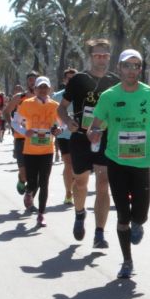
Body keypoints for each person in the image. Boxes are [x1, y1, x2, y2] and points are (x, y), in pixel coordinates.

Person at [87, 49, 150, 279]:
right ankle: (127, 261)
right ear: (119, 68)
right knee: (122, 215)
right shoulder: (109, 97)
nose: (132, 70)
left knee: (140, 214)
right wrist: (93, 133)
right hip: (116, 161)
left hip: (142, 162)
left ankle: (138, 223)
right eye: (127, 66)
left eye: (136, 66)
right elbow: (94, 126)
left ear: (141, 69)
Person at [60, 39, 120, 249]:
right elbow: (62, 108)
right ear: (90, 57)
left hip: (106, 138)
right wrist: (68, 122)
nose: (101, 59)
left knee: (103, 184)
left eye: (104, 55)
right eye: (97, 55)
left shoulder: (115, 82)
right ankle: (79, 213)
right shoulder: (78, 80)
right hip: (81, 138)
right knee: (81, 183)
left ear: (109, 57)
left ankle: (99, 233)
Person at [16, 76, 60, 227]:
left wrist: (59, 130)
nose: (42, 90)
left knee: (44, 182)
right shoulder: (26, 104)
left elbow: (62, 124)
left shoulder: (55, 105)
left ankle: (41, 214)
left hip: (47, 150)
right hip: (30, 150)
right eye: (40, 87)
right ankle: (29, 192)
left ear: (49, 89)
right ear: (35, 89)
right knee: (33, 181)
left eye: (45, 87)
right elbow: (15, 122)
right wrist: (24, 131)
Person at [3, 71, 38, 193]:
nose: (32, 82)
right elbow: (6, 112)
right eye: (30, 80)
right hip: (21, 138)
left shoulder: (43, 99)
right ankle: (22, 180)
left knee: (34, 172)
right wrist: (13, 126)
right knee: (24, 173)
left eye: (34, 79)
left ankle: (30, 197)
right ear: (27, 82)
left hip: (37, 139)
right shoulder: (19, 97)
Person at [52, 69, 77, 204]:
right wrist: (53, 128)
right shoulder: (57, 96)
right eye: (69, 78)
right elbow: (51, 115)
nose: (71, 81)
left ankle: (74, 187)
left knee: (76, 165)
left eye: (74, 78)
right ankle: (68, 192)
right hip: (63, 135)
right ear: (64, 80)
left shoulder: (84, 95)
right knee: (68, 162)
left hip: (80, 135)